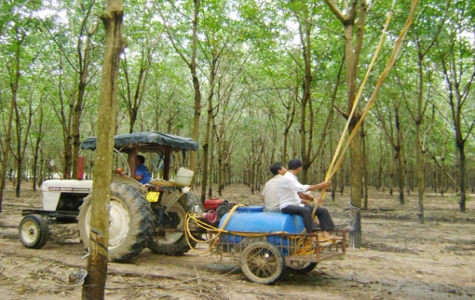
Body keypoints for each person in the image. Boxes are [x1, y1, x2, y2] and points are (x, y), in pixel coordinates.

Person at [278, 159, 339, 240]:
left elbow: (302, 189)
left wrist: (313, 198)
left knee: (322, 210)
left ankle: (325, 233)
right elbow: (300, 188)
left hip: (296, 204)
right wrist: (319, 185)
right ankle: (311, 235)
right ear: (299, 168)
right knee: (306, 211)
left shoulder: (292, 177)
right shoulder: (288, 178)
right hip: (286, 206)